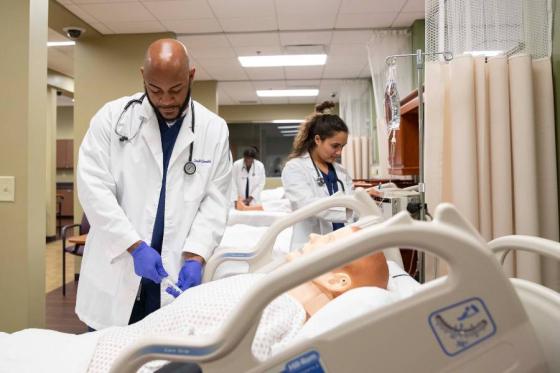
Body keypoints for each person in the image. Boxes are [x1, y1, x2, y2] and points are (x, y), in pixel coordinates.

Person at [75, 38, 233, 330]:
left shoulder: (213, 130)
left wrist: (196, 255)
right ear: (143, 78)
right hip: (119, 269)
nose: (165, 100)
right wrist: (133, 246)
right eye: (155, 90)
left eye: (175, 90)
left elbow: (216, 200)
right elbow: (93, 188)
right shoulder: (112, 119)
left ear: (191, 76)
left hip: (171, 273)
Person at [281, 101, 353, 250]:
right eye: (335, 146)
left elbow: (353, 203)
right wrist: (349, 209)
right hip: (311, 249)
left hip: (343, 245)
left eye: (342, 147)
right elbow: (308, 205)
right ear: (318, 139)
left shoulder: (341, 172)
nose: (339, 152)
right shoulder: (295, 168)